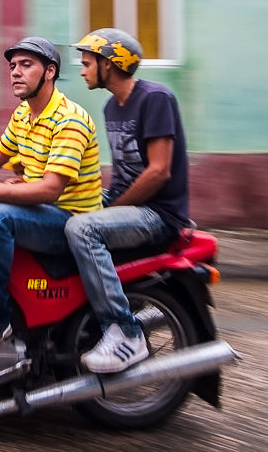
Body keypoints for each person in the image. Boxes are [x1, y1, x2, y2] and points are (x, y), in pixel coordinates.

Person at [0, 37, 102, 358]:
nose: (15, 72)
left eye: (26, 65)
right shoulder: (25, 113)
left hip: (71, 221)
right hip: (44, 211)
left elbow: (50, 189)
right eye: (13, 66)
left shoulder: (69, 119)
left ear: (50, 72)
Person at [65, 28, 190, 373]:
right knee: (60, 210)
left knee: (83, 230)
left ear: (109, 64)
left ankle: (125, 332)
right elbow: (121, 174)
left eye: (87, 63)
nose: (82, 70)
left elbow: (158, 172)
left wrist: (111, 208)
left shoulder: (155, 98)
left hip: (158, 214)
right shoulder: (111, 107)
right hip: (130, 205)